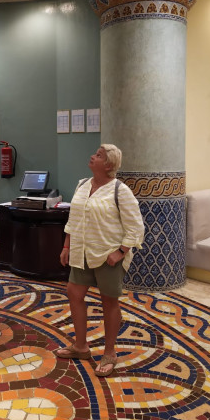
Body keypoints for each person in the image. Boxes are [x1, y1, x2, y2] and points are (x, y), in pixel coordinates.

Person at [55, 144, 144, 377]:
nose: (92, 156)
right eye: (95, 153)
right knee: (74, 293)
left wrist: (121, 251)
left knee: (109, 302)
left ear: (108, 165)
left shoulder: (120, 191)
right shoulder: (82, 185)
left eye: (99, 155)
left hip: (108, 255)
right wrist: (67, 246)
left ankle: (110, 353)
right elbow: (74, 219)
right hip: (82, 251)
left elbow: (136, 227)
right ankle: (81, 346)